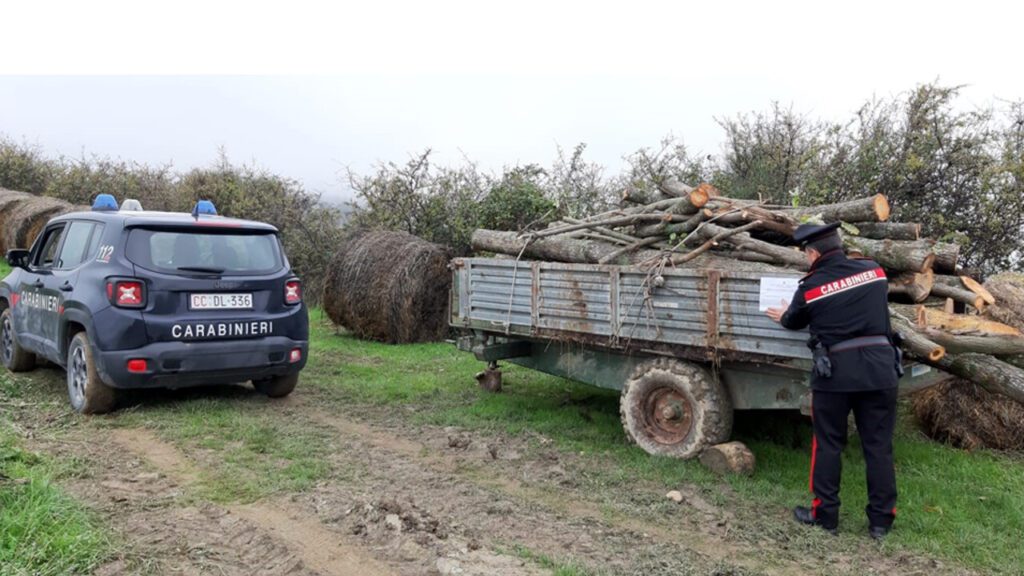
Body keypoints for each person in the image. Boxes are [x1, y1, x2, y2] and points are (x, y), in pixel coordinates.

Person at [765, 222, 902, 540]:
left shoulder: (811, 287)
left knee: (828, 444)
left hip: (836, 373)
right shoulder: (874, 271)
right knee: (879, 447)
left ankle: (825, 515)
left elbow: (792, 320)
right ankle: (881, 522)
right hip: (881, 370)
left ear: (813, 254)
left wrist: (784, 313)